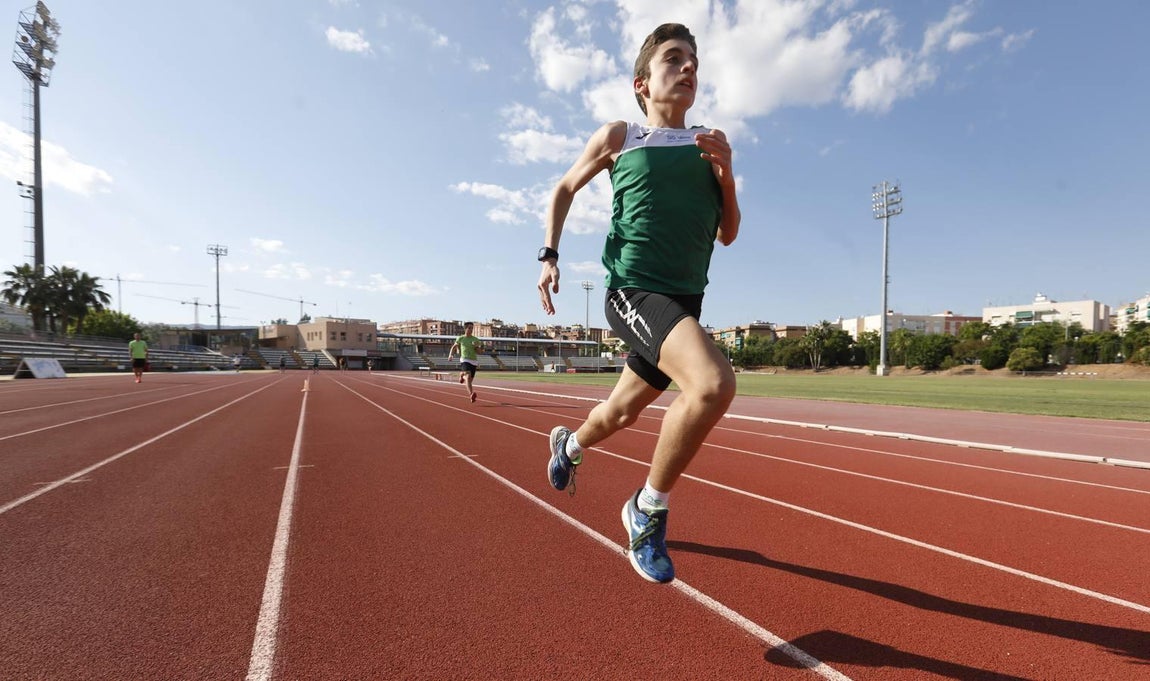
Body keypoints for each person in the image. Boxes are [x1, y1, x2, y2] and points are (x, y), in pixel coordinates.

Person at [536, 23, 740, 584]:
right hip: (633, 291)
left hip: (683, 301)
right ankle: (646, 511)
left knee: (621, 412)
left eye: (694, 62)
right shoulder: (622, 136)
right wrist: (549, 256)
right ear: (642, 83)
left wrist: (726, 176)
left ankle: (569, 446)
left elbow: (728, 234)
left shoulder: (707, 144)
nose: (687, 68)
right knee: (712, 384)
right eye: (673, 59)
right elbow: (563, 189)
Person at [447, 322, 482, 403]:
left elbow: (480, 352)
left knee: (469, 380)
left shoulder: (475, 339)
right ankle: (471, 394)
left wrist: (476, 347)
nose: (471, 330)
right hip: (464, 359)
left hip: (474, 361)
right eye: (469, 328)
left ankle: (462, 375)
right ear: (465, 329)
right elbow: (454, 347)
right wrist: (450, 355)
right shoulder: (461, 338)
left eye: (472, 328)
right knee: (468, 377)